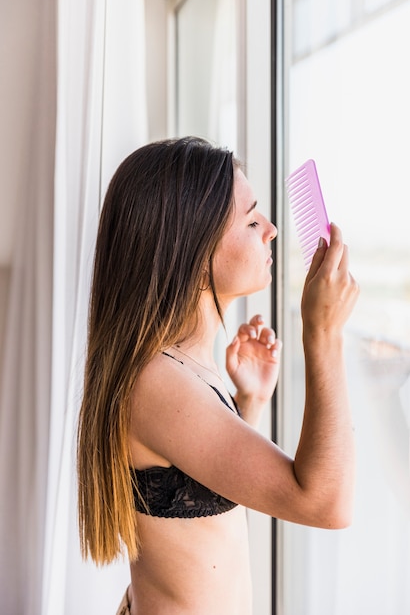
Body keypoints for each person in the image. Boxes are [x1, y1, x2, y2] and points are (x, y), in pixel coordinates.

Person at [77, 136, 359, 615]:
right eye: (251, 220)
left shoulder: (175, 365)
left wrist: (248, 403)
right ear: (190, 249)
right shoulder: (158, 383)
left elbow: (192, 505)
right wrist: (323, 335)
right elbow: (325, 503)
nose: (270, 229)